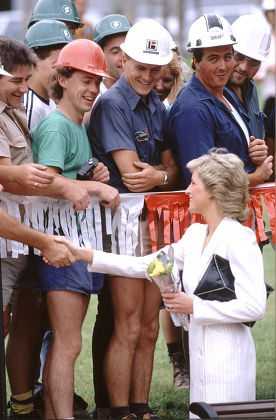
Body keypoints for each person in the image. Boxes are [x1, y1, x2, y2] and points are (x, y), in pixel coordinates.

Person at [53, 148, 267, 416]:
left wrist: (194, 306)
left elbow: (255, 307)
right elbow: (144, 265)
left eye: (194, 183)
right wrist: (81, 253)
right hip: (199, 359)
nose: (187, 190)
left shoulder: (240, 239)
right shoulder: (195, 234)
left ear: (213, 192)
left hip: (230, 359)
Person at [87, 19, 179, 419]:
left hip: (156, 230)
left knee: (149, 325)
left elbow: (169, 170)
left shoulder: (156, 104)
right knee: (126, 323)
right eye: (140, 66)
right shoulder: (111, 104)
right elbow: (132, 174)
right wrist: (163, 175)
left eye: (155, 69)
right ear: (123, 60)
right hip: (126, 229)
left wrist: (162, 174)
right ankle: (121, 411)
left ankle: (141, 409)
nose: (148, 76)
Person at [31, 38, 120, 420]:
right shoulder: (56, 126)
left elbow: (65, 177)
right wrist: (96, 186)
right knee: (68, 345)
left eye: (98, 83)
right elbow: (44, 182)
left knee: (67, 344)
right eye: (85, 80)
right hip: (60, 246)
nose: (93, 90)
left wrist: (89, 173)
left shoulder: (75, 125)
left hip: (75, 245)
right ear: (62, 78)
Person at [167, 13, 272, 190]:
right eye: (213, 58)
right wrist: (256, 177)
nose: (223, 66)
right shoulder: (193, 109)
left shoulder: (226, 95)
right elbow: (203, 182)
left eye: (228, 57)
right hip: (211, 217)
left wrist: (255, 152)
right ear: (195, 61)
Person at [154, 51, 192, 390]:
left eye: (169, 80)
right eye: (159, 77)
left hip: (184, 212)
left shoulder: (178, 109)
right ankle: (177, 362)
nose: (162, 85)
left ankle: (193, 362)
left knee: (187, 282)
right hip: (155, 217)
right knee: (165, 285)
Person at [23, 19, 73, 130]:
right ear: (35, 61)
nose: (62, 71)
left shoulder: (51, 100)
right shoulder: (31, 108)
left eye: (65, 65)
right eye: (56, 64)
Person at [227, 14, 271, 140]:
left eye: (254, 62)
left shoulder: (251, 89)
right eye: (239, 57)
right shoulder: (210, 92)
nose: (244, 67)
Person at [255, 0, 275, 122]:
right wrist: (268, 70)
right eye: (271, 12)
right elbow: (255, 76)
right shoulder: (263, 40)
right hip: (270, 99)